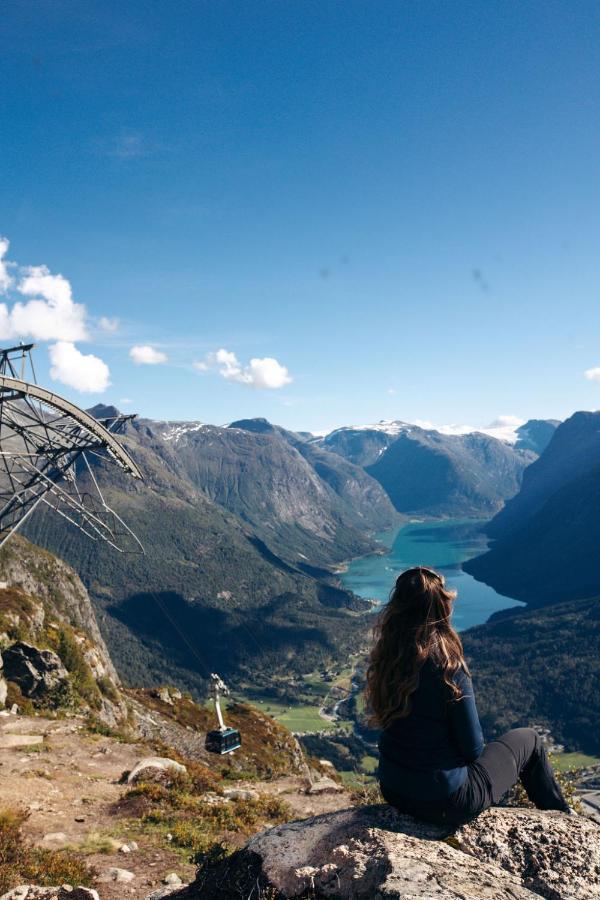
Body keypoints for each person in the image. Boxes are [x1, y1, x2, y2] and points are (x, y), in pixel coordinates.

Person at [365, 566, 569, 827]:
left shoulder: (387, 660)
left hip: (394, 790)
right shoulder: (448, 668)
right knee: (529, 739)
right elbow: (473, 749)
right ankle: (563, 820)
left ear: (397, 609)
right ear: (442, 608)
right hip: (445, 802)